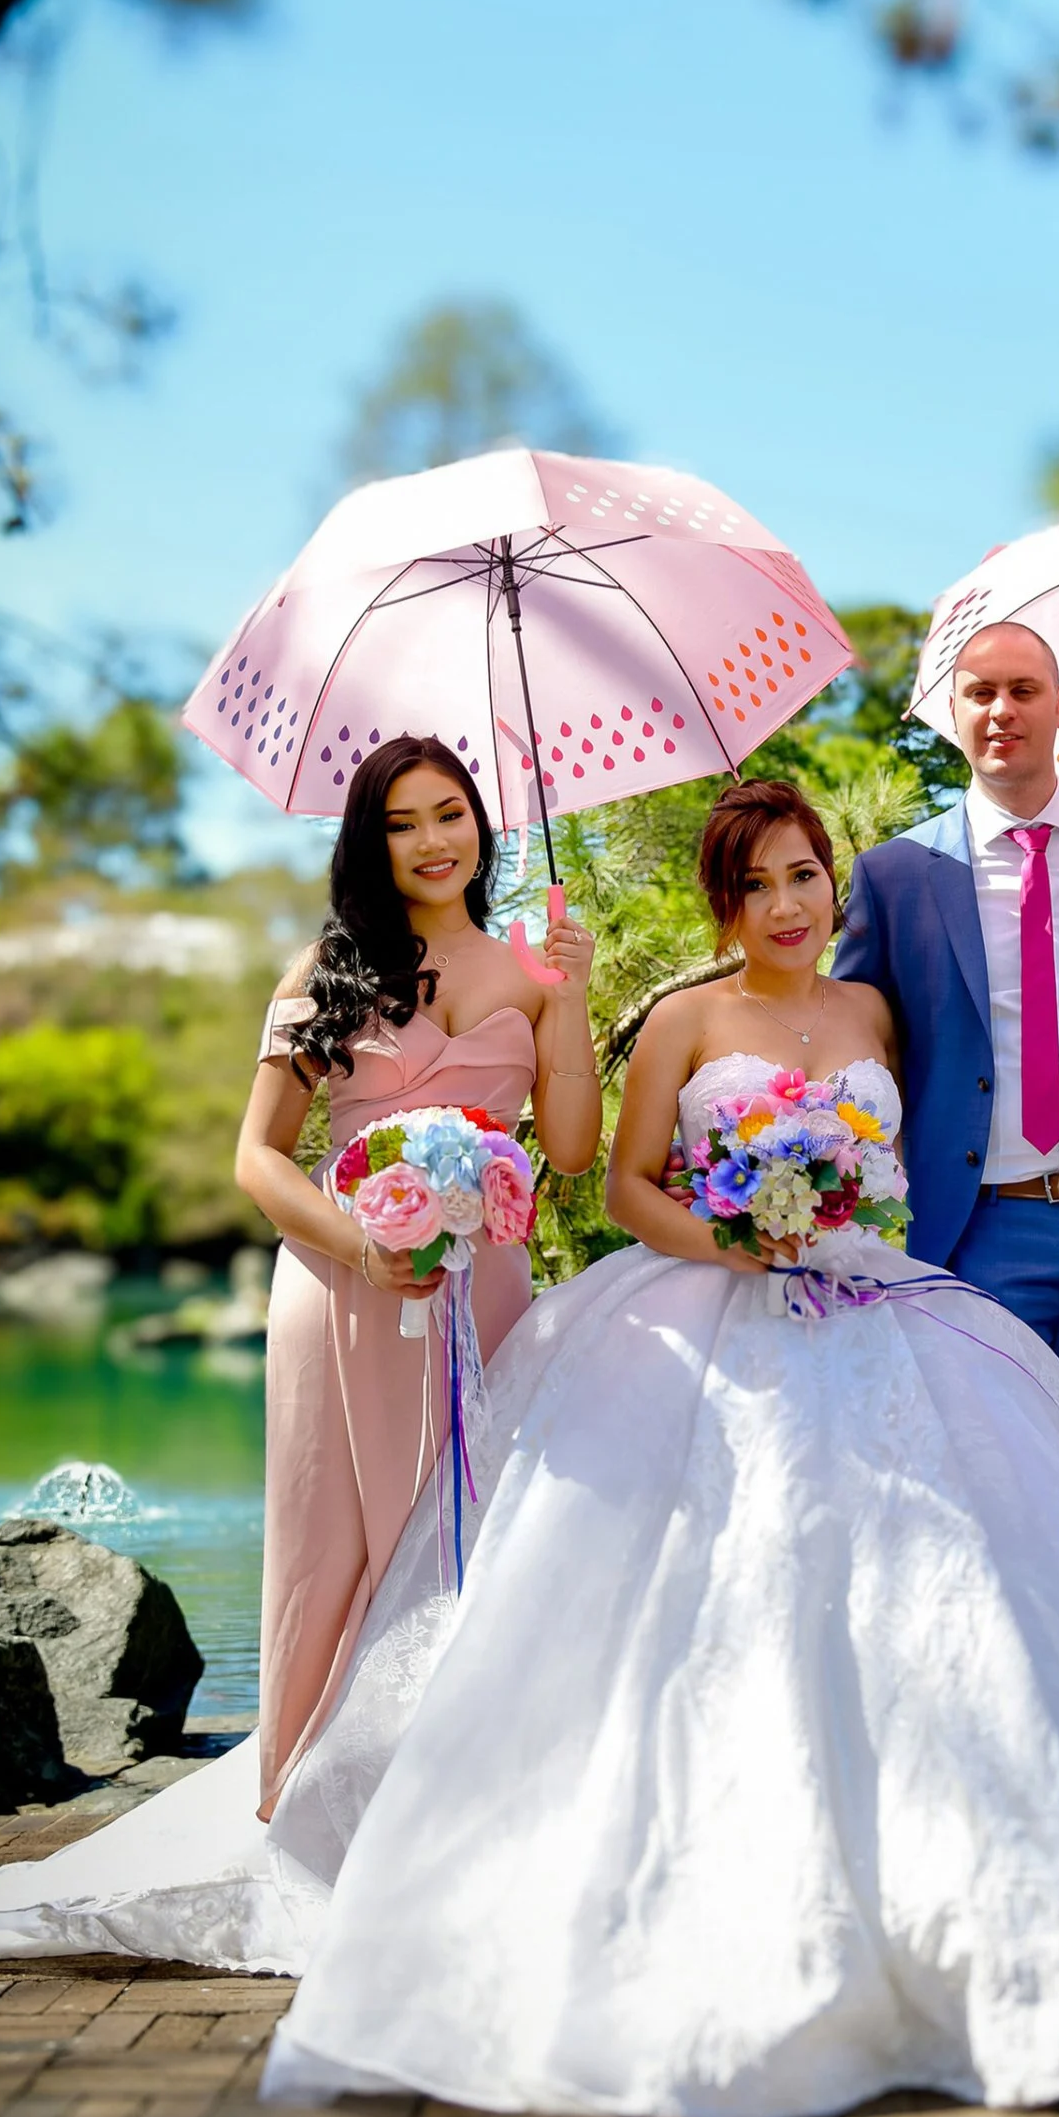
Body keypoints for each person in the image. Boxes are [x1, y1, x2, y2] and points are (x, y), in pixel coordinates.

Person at [0, 777, 1059, 2117]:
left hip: (867, 1300)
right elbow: (612, 1183)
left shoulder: (876, 1003)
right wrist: (737, 1233)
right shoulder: (679, 1016)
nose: (790, 897)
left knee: (949, 1572)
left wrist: (852, 1213)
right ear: (721, 899)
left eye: (808, 871)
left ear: (836, 884)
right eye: (758, 878)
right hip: (706, 1305)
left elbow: (927, 1144)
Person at [236, 734, 599, 1812]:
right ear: (370, 844)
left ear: (481, 828)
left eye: (449, 813)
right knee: (332, 1544)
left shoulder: (537, 965)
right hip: (341, 1292)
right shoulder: (323, 975)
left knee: (471, 1534)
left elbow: (573, 1152)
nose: (432, 840)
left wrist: (570, 996)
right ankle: (309, 1798)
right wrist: (361, 1246)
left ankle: (458, 1808)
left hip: (482, 1293)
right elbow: (256, 1156)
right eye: (400, 824)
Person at [833, 619, 1059, 1511]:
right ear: (949, 714)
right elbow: (851, 1043)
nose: (1003, 710)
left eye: (1024, 690)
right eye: (980, 693)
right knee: (991, 1504)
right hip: (976, 1231)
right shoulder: (898, 872)